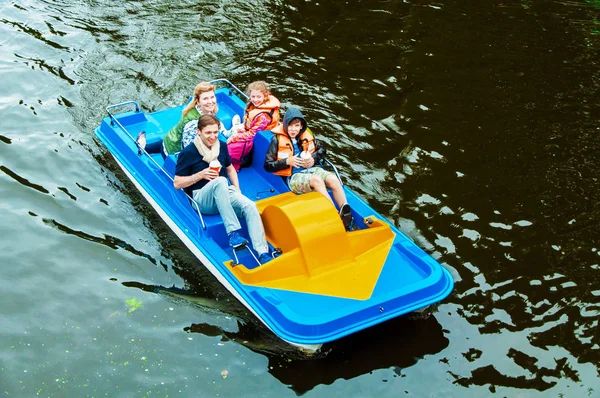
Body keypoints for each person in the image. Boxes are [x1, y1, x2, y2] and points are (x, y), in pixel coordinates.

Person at [174, 114, 273, 264]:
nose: (213, 136)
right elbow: (177, 183)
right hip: (201, 198)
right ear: (198, 131)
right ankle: (233, 233)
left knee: (250, 205)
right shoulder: (188, 152)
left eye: (215, 132)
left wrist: (237, 190)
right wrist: (200, 175)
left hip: (223, 193)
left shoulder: (221, 146)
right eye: (208, 133)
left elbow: (230, 168)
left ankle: (263, 253)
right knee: (220, 180)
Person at [263, 107, 353, 230]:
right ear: (285, 125)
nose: (293, 129)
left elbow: (322, 149)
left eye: (296, 126)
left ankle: (345, 212)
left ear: (301, 126)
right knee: (317, 180)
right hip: (293, 177)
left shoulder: (306, 136)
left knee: (332, 178)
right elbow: (268, 165)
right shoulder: (276, 140)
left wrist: (313, 158)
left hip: (310, 169)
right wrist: (287, 161)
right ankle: (335, 216)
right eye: (290, 126)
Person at [137, 82, 226, 158]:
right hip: (174, 149)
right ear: (198, 102)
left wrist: (224, 132)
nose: (210, 101)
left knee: (164, 143)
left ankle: (144, 147)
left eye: (212, 97)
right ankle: (143, 147)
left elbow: (215, 121)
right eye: (205, 98)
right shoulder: (193, 124)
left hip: (172, 138)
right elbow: (188, 149)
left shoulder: (208, 110)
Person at [225, 81, 281, 171]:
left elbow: (252, 134)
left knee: (232, 148)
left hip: (255, 137)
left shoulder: (263, 116)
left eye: (259, 97)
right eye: (253, 97)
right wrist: (244, 127)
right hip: (251, 130)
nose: (255, 100)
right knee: (238, 130)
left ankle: (236, 166)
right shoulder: (256, 106)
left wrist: (234, 138)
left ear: (265, 96)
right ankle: (234, 129)